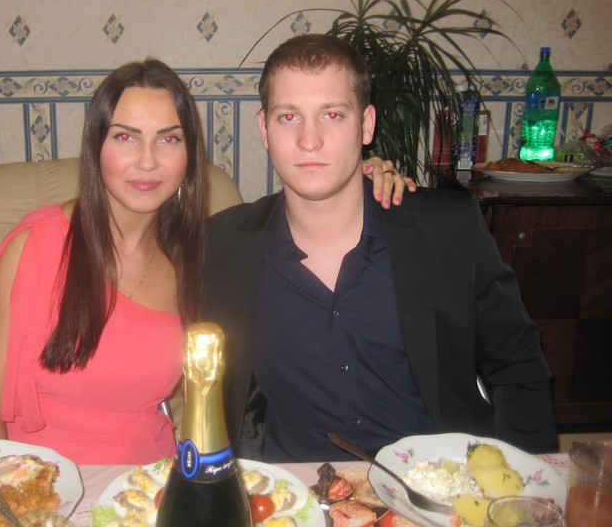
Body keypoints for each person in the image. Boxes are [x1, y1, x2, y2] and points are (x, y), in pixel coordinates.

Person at [0, 58, 409, 465]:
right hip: (40, 489)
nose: (147, 162)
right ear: (96, 147)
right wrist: (12, 498)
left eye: (168, 139)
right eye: (125, 137)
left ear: (188, 155)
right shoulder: (37, 246)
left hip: (151, 488)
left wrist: (362, 177)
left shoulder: (200, 259)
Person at [202, 34, 558, 463]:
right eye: (288, 117)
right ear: (264, 129)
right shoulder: (222, 246)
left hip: (433, 482)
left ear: (366, 124)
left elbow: (519, 367)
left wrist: (522, 483)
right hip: (291, 489)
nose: (309, 140)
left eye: (333, 115)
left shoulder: (447, 230)